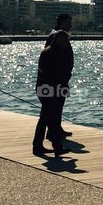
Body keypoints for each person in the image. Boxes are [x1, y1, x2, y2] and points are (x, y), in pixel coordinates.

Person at [33, 15, 74, 156]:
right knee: (51, 117)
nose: (66, 44)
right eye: (65, 41)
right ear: (60, 41)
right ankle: (54, 147)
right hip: (50, 89)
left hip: (46, 88)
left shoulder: (48, 51)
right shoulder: (54, 53)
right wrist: (62, 86)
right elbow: (55, 74)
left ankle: (41, 146)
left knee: (47, 117)